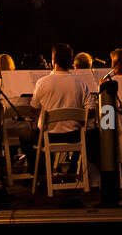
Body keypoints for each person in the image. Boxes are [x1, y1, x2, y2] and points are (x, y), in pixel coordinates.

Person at [30, 43, 95, 174]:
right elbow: (91, 111)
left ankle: (43, 175)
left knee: (29, 136)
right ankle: (73, 166)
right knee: (89, 134)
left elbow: (33, 109)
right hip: (74, 136)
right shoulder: (81, 84)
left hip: (49, 136)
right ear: (71, 61)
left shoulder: (42, 83)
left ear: (53, 60)